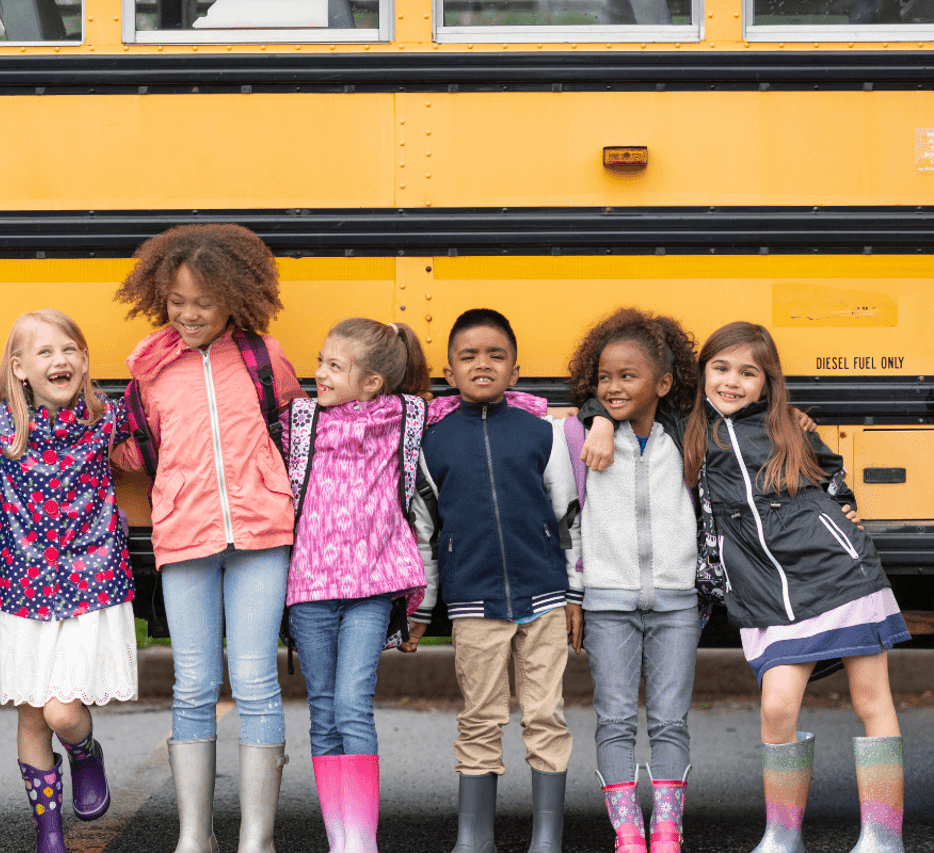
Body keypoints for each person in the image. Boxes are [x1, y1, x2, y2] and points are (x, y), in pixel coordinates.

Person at [681, 321, 910, 853]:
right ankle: (782, 834)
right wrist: (598, 420)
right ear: (702, 373)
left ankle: (883, 836)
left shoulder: (788, 425)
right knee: (778, 708)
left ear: (767, 382)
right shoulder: (690, 429)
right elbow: (623, 397)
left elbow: (831, 474)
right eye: (720, 368)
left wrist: (845, 502)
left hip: (836, 572)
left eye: (747, 372)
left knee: (871, 696)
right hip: (764, 590)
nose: (732, 382)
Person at [112, 223, 305, 853]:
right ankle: (195, 832)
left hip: (262, 533)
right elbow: (136, 449)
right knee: (193, 683)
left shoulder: (262, 358)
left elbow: (295, 433)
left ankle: (257, 835)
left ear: (234, 299)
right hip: (185, 534)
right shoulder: (150, 366)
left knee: (254, 681)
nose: (189, 314)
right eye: (177, 301)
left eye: (203, 302)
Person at [0, 310, 138, 853]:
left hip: (90, 584)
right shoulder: (4, 424)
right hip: (21, 588)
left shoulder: (105, 418)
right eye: (44, 353)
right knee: (32, 715)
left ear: (84, 361)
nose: (60, 360)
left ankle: (84, 752)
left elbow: (157, 387)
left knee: (61, 711)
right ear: (19, 368)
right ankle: (49, 833)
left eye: (70, 350)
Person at [406, 308, 580, 853]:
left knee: (545, 714)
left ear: (515, 370)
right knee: (479, 716)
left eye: (495, 355)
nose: (483, 364)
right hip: (473, 601)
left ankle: (546, 835)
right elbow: (424, 534)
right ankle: (474, 836)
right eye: (469, 356)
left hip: (546, 598)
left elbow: (569, 521)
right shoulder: (432, 445)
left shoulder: (543, 434)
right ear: (449, 372)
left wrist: (574, 594)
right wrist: (419, 609)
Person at [284, 318, 431, 853]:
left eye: (334, 367)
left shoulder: (405, 416)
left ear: (372, 382)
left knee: (352, 704)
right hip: (310, 587)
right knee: (323, 710)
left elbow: (475, 405)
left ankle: (361, 841)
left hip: (371, 587)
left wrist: (585, 418)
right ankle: (338, 836)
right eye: (321, 361)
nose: (319, 373)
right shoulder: (300, 421)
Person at [562, 308, 702, 853]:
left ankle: (667, 829)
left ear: (664, 384)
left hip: (676, 604)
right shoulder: (579, 435)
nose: (614, 387)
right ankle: (628, 831)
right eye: (604, 377)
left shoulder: (688, 433)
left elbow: (749, 415)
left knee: (670, 719)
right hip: (607, 602)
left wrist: (802, 422)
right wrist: (576, 595)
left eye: (628, 376)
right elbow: (568, 520)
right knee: (614, 719)